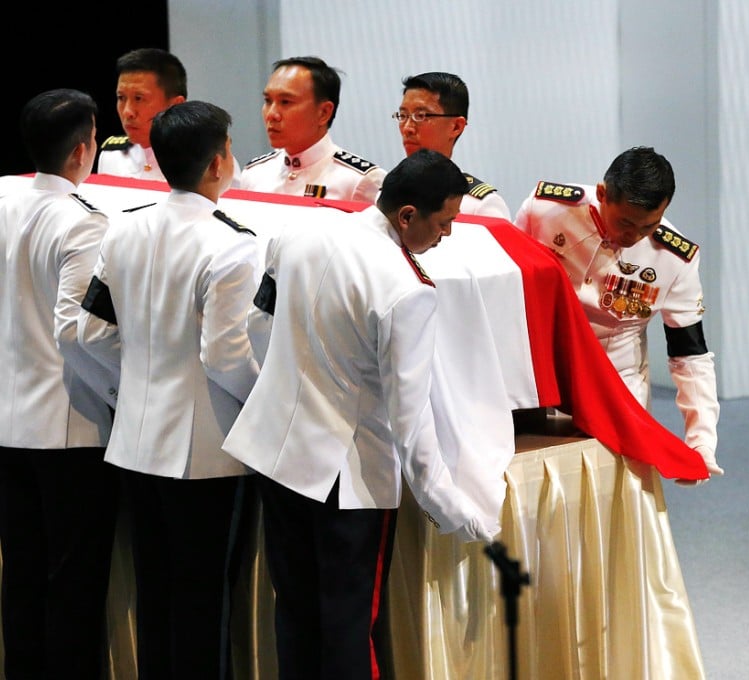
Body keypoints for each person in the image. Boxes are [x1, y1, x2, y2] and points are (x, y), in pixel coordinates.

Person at [221, 149, 496, 680]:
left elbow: (260, 324)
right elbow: (409, 420)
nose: (448, 235)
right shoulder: (405, 290)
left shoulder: (301, 231)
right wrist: (451, 509)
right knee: (348, 623)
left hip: (277, 453)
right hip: (344, 479)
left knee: (295, 610)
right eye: (445, 222)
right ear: (407, 215)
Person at [78, 100, 260, 679]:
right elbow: (226, 355)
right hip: (205, 451)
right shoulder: (231, 243)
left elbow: (91, 330)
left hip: (133, 438)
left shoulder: (125, 226)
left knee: (155, 598)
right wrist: (265, 407)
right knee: (204, 603)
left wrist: (129, 386)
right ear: (218, 161)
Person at [0, 88, 120, 680]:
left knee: (20, 575)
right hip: (68, 425)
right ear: (82, 149)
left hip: (7, 418)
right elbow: (79, 334)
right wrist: (122, 396)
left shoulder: (1, 197)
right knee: (72, 585)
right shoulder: (82, 220)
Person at [514, 146, 723, 482]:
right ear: (602, 194)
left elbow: (690, 355)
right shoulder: (545, 209)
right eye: (625, 222)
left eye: (648, 226)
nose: (634, 236)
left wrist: (701, 442)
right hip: (542, 371)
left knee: (616, 486)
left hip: (616, 382)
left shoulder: (675, 257)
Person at [239, 55, 385, 202]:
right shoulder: (254, 174)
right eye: (268, 101)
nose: (271, 114)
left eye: (285, 102)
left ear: (324, 113)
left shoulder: (361, 181)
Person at [98, 47, 241, 185]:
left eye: (139, 98)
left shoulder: (210, 162)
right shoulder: (112, 156)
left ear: (175, 105)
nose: (127, 112)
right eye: (121, 98)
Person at [394, 71, 511, 219]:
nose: (407, 128)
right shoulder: (383, 192)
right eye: (403, 116)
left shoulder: (480, 207)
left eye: (421, 116)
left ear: (456, 126)